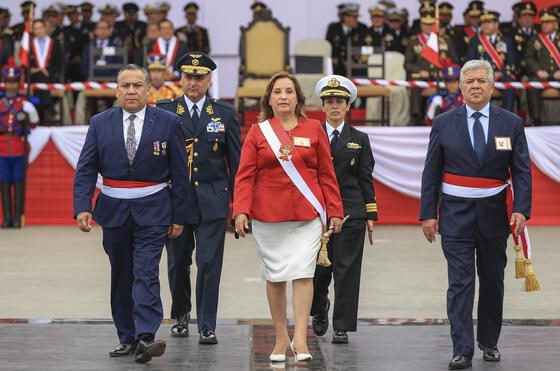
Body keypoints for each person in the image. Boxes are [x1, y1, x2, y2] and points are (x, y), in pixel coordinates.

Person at [73, 64, 189, 364]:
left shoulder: (168, 122)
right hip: (113, 212)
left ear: (148, 89)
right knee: (121, 274)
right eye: (125, 85)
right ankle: (126, 337)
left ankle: (147, 335)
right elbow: (86, 167)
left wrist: (179, 215)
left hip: (154, 210)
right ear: (116, 91)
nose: (132, 91)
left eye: (138, 85)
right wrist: (83, 206)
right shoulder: (101, 122)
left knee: (146, 272)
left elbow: (179, 171)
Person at [420, 59, 531, 370]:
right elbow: (431, 172)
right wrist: (428, 213)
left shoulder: (511, 123)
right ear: (460, 87)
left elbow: (522, 172)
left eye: (482, 81)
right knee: (460, 283)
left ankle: (489, 341)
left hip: (496, 217)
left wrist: (522, 208)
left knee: (493, 281)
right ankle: (462, 348)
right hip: (455, 217)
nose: (476, 86)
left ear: (492, 87)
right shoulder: (443, 123)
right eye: (469, 81)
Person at [233, 72, 344, 362]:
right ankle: (281, 337)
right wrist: (240, 210)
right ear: (269, 98)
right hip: (269, 217)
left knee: (304, 274)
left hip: (307, 216)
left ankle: (301, 338)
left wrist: (334, 210)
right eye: (278, 91)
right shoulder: (259, 132)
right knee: (275, 277)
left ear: (298, 98)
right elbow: (245, 175)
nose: (283, 96)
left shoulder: (315, 128)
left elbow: (326, 174)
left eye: (289, 91)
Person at [157, 52, 240, 344]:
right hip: (176, 202)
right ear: (181, 78)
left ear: (209, 80)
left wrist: (239, 207)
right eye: (188, 76)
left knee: (208, 263)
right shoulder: (164, 111)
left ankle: (207, 324)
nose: (193, 82)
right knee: (178, 262)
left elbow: (236, 165)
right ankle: (181, 314)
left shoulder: (225, 114)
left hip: (212, 200)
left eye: (199, 77)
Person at [310, 75, 378, 344]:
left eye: (340, 101)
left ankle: (342, 325)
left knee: (346, 271)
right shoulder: (311, 135)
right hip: (318, 215)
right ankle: (319, 308)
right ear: (323, 106)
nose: (335, 106)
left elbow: (366, 178)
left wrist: (370, 214)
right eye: (329, 101)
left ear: (348, 106)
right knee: (316, 271)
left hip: (351, 212)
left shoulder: (359, 139)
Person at [0, 59, 39, 228]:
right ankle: (7, 218)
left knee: (18, 182)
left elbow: (35, 123)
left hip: (18, 146)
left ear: (18, 83)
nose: (11, 86)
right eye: (8, 82)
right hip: (2, 147)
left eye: (14, 82)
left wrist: (27, 119)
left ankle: (17, 218)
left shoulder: (26, 104)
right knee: (4, 182)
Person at [466, 10, 516, 113]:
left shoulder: (506, 41)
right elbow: (470, 63)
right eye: (483, 23)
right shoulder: (475, 41)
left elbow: (512, 63)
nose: (485, 25)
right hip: (480, 77)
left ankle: (506, 117)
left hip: (501, 76)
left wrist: (501, 73)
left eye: (489, 22)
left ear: (496, 24)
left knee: (510, 85)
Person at [525, 8, 560, 126]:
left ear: (555, 24)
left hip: (559, 74)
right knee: (532, 84)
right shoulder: (536, 39)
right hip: (541, 75)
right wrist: (538, 70)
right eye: (543, 22)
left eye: (548, 22)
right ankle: (536, 120)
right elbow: (529, 57)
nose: (544, 25)